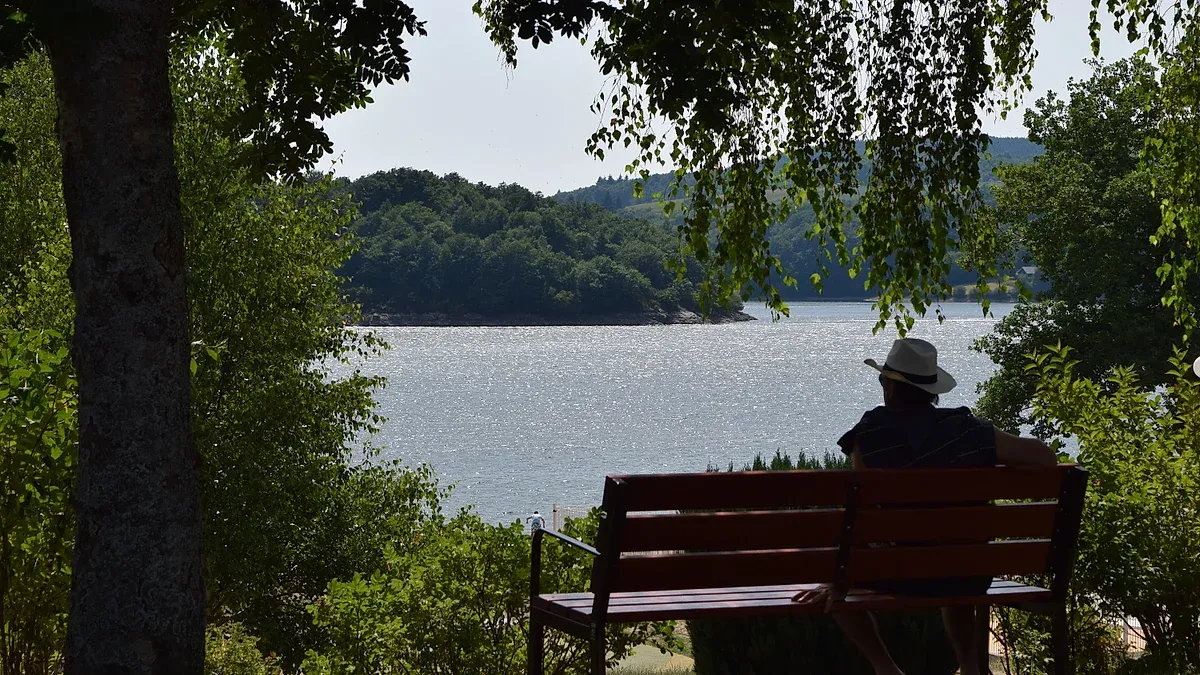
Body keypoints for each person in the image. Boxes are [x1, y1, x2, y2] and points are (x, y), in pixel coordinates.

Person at [793, 337, 1057, 675]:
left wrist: (838, 580)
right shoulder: (969, 431)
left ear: (889, 385)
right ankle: (970, 667)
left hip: (897, 574)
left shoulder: (868, 435)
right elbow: (1045, 458)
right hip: (968, 574)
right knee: (954, 558)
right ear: (932, 390)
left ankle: (885, 667)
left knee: (838, 587)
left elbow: (863, 515)